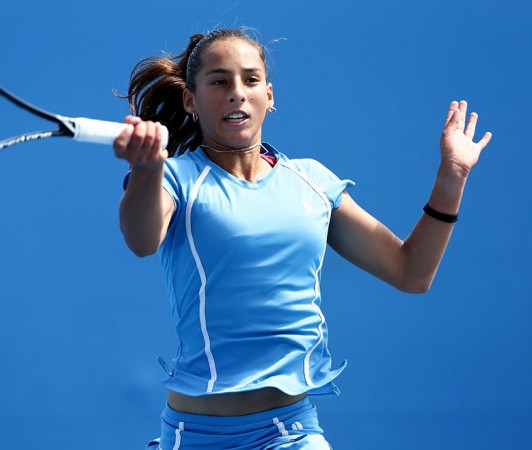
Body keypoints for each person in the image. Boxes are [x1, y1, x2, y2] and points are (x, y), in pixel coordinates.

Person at [113, 28, 492, 450]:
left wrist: (451, 178)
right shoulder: (175, 179)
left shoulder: (312, 181)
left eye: (251, 80)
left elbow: (411, 271)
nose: (237, 92)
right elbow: (142, 240)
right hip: (194, 434)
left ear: (269, 96)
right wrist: (147, 170)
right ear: (191, 100)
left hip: (289, 430)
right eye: (219, 81)